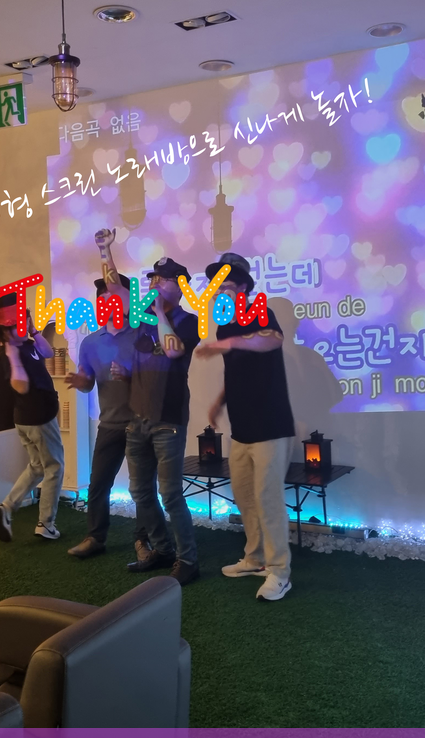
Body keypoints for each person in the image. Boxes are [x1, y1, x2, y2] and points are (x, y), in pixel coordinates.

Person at [100, 229, 200, 586]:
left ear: (180, 286)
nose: (154, 283)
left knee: (169, 494)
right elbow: (115, 289)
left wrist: (158, 312)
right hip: (136, 419)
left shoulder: (189, 321)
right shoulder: (141, 317)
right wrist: (105, 250)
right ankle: (162, 549)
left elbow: (172, 351)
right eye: (153, 278)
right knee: (139, 492)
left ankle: (189, 560)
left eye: (162, 279)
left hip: (168, 420)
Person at [196, 253, 295, 601]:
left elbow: (272, 339)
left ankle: (280, 572)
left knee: (269, 499)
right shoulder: (225, 326)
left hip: (271, 425)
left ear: (243, 289)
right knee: (245, 497)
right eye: (216, 286)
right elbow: (237, 370)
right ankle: (255, 559)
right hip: (241, 428)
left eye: (225, 285)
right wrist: (219, 401)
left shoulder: (260, 312)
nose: (218, 292)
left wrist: (230, 342)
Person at [65, 246, 152, 562]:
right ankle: (95, 537)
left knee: (141, 488)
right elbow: (88, 381)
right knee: (98, 484)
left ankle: (144, 541)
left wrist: (130, 375)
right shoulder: (91, 342)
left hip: (141, 424)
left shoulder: (143, 334)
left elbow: (155, 379)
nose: (107, 304)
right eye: (102, 300)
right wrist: (80, 381)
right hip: (109, 424)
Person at [0, 292, 64, 542]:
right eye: (20, 324)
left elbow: (48, 353)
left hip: (30, 418)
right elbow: (20, 386)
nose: (24, 326)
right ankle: (46, 524)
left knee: (37, 466)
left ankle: (6, 507)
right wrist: (12, 357)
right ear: (6, 330)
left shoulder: (26, 344)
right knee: (54, 467)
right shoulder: (10, 353)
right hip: (38, 418)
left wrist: (34, 331)